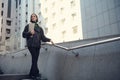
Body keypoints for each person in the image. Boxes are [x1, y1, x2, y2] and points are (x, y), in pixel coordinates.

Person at [22, 13, 54, 79]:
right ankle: (35, 73)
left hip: (37, 46)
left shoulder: (40, 28)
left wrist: (49, 40)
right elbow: (23, 35)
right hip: (31, 45)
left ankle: (32, 74)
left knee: (35, 60)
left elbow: (43, 38)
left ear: (36, 18)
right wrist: (29, 33)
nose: (33, 17)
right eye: (32, 17)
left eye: (34, 16)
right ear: (31, 18)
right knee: (34, 59)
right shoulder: (28, 26)